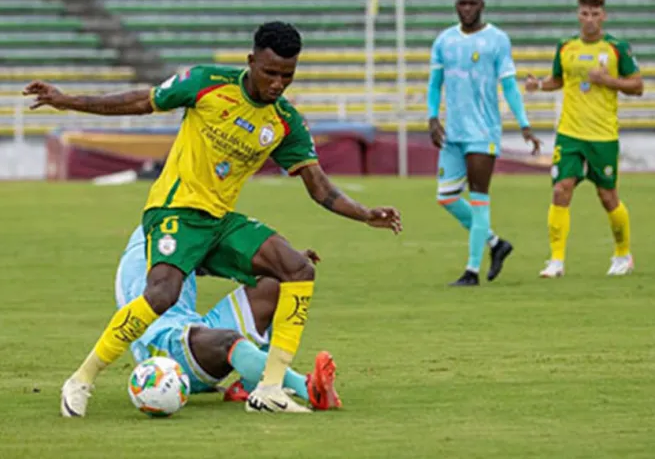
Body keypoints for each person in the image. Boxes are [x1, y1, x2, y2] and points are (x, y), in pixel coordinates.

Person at [23, 21, 402, 416]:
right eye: (270, 73)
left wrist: (364, 214)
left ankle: (270, 389)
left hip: (219, 221)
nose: (277, 84)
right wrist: (67, 101)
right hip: (175, 210)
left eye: (287, 76)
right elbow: (140, 101)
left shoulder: (284, 121)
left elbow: (318, 185)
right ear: (251, 61)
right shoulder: (207, 82)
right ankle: (82, 379)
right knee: (162, 293)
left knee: (297, 268)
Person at [107, 225, 341, 413]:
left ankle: (249, 386)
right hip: (165, 352)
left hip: (197, 335)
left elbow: (211, 262)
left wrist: (289, 264)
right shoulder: (153, 243)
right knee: (228, 341)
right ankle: (307, 388)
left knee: (283, 281)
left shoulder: (180, 230)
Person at [427, 0, 541, 286]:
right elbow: (434, 83)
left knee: (479, 199)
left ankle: (472, 271)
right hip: (453, 132)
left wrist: (524, 124)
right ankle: (495, 243)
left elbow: (510, 86)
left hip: (482, 132)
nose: (466, 8)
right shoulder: (444, 41)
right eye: (461, 3)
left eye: (471, 3)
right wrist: (431, 117)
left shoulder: (497, 40)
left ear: (482, 5)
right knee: (446, 197)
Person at [526, 0, 643, 277]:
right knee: (560, 190)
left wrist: (608, 80)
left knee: (607, 196)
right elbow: (558, 80)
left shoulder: (617, 48)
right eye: (584, 13)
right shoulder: (566, 47)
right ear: (578, 15)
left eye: (595, 14)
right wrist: (539, 85)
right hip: (570, 134)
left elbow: (637, 86)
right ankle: (556, 260)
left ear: (603, 16)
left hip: (602, 135)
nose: (589, 19)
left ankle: (623, 254)